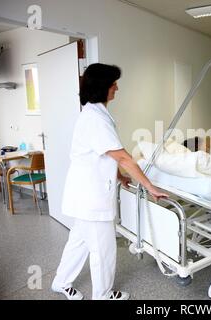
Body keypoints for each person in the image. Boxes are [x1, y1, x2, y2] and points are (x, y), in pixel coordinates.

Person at [51, 63, 168, 301]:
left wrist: (119, 177)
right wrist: (150, 187)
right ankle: (103, 295)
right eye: (113, 83)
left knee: (79, 242)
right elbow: (123, 157)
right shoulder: (95, 119)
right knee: (103, 251)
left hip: (84, 194)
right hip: (91, 199)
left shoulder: (95, 114)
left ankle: (60, 282)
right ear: (102, 87)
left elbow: (101, 155)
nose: (117, 87)